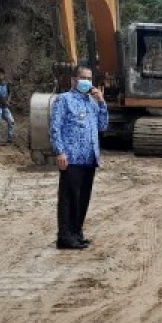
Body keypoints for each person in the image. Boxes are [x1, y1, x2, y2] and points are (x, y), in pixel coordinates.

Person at [50, 65, 109, 250]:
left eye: (90, 78)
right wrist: (59, 151)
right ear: (74, 80)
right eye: (83, 77)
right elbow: (55, 128)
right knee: (69, 198)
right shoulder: (64, 100)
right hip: (71, 158)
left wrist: (101, 103)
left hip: (89, 158)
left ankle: (77, 233)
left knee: (83, 198)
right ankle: (65, 237)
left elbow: (103, 126)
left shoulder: (92, 102)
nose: (87, 81)